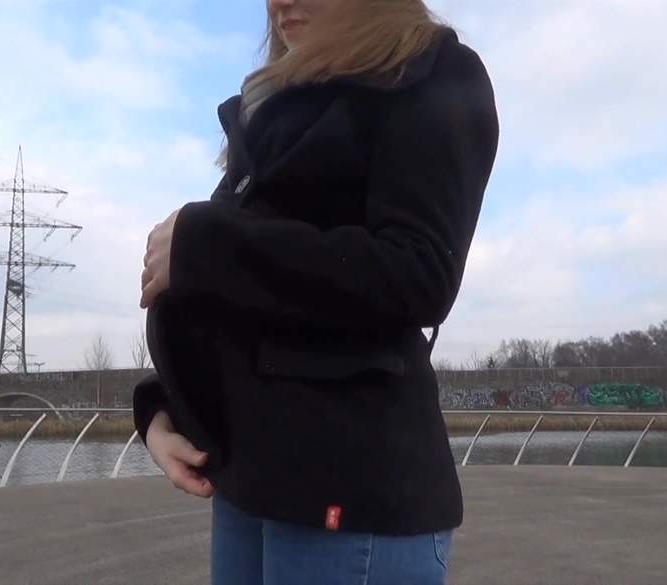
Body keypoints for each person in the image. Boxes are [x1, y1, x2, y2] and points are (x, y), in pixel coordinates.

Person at [135, 0, 499, 583]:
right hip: (250, 480)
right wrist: (163, 411)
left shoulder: (429, 72)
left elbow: (419, 271)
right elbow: (253, 303)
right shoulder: (276, 111)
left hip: (351, 491)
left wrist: (205, 243)